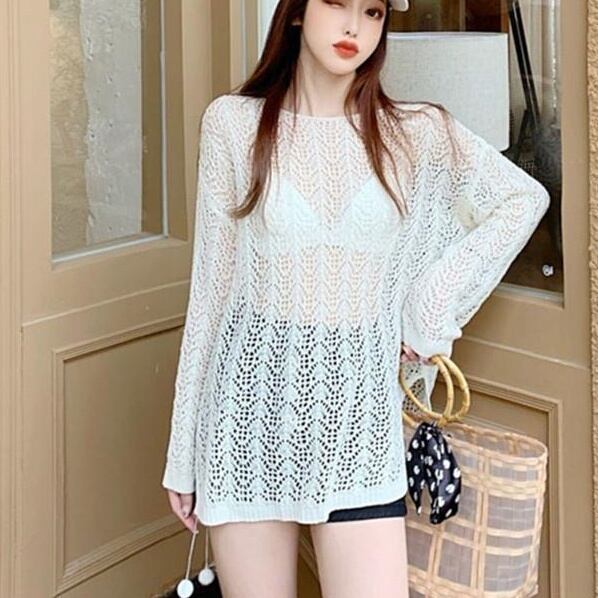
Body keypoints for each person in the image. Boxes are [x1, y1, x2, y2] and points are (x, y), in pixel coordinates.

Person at [161, 1, 550, 597]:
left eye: (371, 11)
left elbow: (522, 200)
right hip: (245, 423)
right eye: (337, 3)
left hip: (359, 430)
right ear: (296, 12)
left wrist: (430, 303)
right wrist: (182, 455)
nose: (354, 28)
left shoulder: (415, 132)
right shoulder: (233, 125)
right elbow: (210, 295)